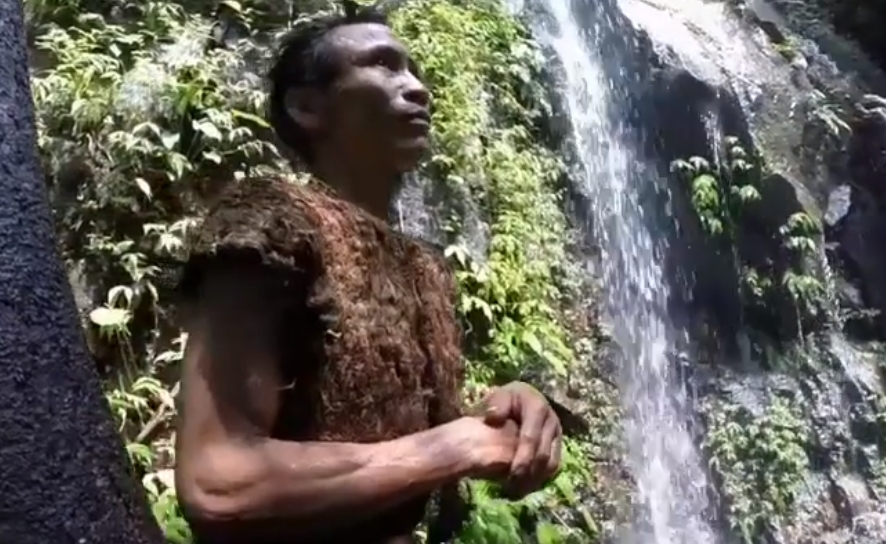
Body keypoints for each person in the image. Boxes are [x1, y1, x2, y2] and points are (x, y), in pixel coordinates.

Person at [173, 4, 563, 544]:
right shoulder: (270, 224)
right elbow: (217, 482)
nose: (418, 88)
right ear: (308, 107)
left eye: (416, 71)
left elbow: (393, 442)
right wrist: (453, 447)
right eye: (383, 65)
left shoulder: (425, 268)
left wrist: (504, 413)